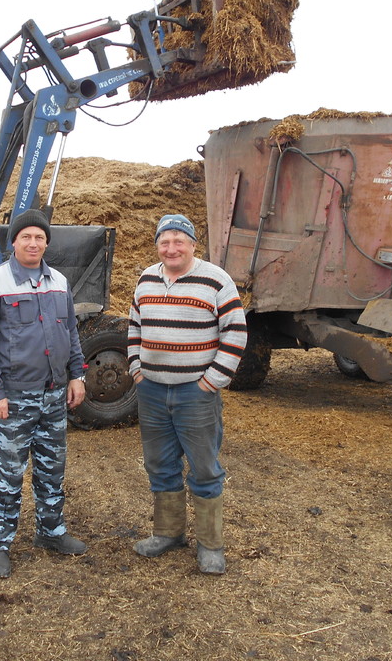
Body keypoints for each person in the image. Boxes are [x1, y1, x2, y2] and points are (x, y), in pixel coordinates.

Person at [0, 209, 88, 578]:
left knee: (52, 469)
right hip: (15, 399)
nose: (33, 243)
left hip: (54, 396)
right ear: (15, 242)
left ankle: (51, 532)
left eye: (39, 237)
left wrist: (77, 375)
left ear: (47, 242)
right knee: (7, 474)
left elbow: (70, 331)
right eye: (26, 237)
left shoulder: (59, 282)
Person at [128, 213, 247, 574]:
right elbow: (134, 326)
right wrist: (136, 369)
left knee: (205, 468)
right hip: (151, 392)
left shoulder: (216, 280)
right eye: (165, 241)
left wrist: (211, 381)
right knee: (160, 464)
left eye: (179, 240)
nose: (171, 248)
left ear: (193, 244)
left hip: (196, 394)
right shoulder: (147, 279)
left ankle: (211, 545)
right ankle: (168, 533)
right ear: (157, 246)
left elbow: (236, 333)